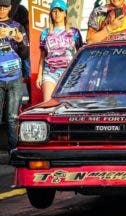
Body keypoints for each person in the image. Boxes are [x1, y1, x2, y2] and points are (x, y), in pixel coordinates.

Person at [36, 0, 82, 102]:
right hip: (50, 73)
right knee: (48, 104)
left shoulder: (74, 32)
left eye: (60, 11)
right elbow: (43, 56)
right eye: (54, 11)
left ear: (65, 13)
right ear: (51, 14)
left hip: (69, 74)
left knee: (68, 106)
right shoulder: (45, 33)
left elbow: (80, 54)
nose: (57, 14)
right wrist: (39, 75)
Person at [0, 0, 29, 150]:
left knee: (12, 118)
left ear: (10, 7)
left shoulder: (17, 27)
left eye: (5, 6)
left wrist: (19, 40)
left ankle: (13, 151)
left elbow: (25, 55)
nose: (2, 9)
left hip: (15, 78)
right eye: (0, 6)